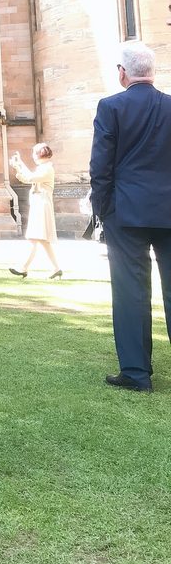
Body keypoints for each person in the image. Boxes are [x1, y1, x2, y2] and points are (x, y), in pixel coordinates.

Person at [90, 41, 171, 392]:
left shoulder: (111, 107)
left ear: (123, 73)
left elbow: (101, 164)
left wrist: (101, 208)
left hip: (125, 211)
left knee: (130, 291)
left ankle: (137, 373)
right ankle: (136, 372)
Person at [8, 143, 61, 279]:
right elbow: (28, 177)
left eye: (33, 153)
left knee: (34, 238)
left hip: (42, 205)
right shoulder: (43, 168)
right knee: (42, 240)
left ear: (39, 154)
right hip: (39, 204)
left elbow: (30, 177)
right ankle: (56, 269)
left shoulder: (46, 169)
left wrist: (19, 165)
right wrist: (19, 164)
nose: (32, 156)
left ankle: (23, 268)